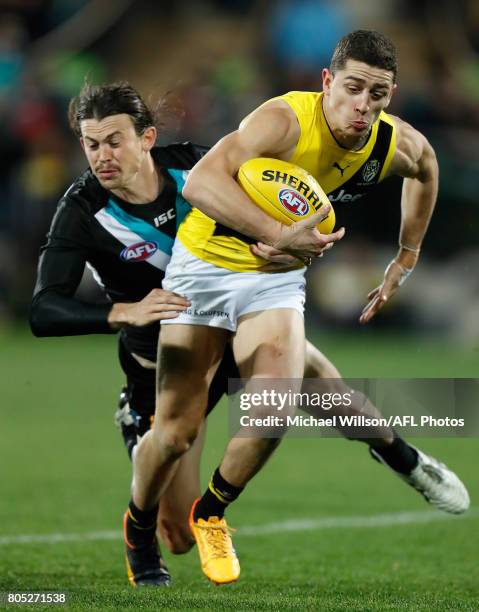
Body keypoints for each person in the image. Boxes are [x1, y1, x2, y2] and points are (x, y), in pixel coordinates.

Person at [128, 30, 470, 586]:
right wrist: (277, 231)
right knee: (173, 434)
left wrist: (405, 258)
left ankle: (213, 513)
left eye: (377, 94)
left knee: (275, 409)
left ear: (391, 95)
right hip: (205, 268)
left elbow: (427, 169)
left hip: (275, 281)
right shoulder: (283, 120)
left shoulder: (392, 143)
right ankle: (138, 533)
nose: (363, 105)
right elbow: (201, 184)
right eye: (353, 88)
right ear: (328, 82)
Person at [28, 80, 349, 588]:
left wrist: (289, 241)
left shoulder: (197, 168)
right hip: (159, 363)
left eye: (114, 141)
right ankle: (142, 514)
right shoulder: (82, 211)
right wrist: (122, 313)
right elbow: (43, 310)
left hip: (220, 337)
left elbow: (271, 198)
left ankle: (400, 453)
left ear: (147, 137)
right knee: (177, 533)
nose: (101, 156)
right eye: (91, 144)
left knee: (292, 379)